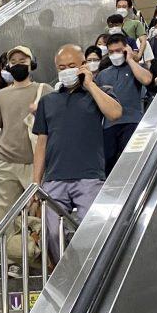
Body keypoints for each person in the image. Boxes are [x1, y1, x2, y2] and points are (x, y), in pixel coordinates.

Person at [32, 45, 122, 261]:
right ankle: (66, 275)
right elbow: (41, 143)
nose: (66, 70)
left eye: (72, 66)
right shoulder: (48, 101)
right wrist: (36, 183)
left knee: (91, 232)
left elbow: (115, 113)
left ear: (83, 65)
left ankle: (89, 274)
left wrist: (90, 85)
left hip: (89, 176)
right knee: (52, 233)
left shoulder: (99, 92)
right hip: (54, 178)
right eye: (61, 67)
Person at [0, 46, 52, 263]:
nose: (18, 64)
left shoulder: (46, 91)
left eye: (23, 59)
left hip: (37, 163)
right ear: (8, 66)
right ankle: (17, 260)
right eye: (13, 61)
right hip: (4, 165)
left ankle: (46, 257)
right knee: (8, 219)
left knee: (43, 212)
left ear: (32, 63)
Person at [95, 34, 153, 174]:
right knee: (108, 162)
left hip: (132, 122)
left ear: (126, 49)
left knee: (132, 161)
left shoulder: (135, 69)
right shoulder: (102, 75)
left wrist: (131, 59)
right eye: (111, 52)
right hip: (109, 126)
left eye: (118, 50)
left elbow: (147, 80)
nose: (115, 54)